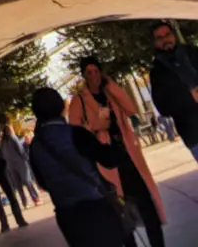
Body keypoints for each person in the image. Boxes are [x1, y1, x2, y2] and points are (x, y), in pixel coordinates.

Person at [69, 57, 165, 247]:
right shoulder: (79, 100)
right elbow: (76, 132)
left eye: (96, 71)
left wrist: (111, 85)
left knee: (147, 206)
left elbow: (131, 109)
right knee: (121, 212)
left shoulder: (110, 92)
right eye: (89, 72)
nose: (94, 76)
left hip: (127, 154)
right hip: (106, 160)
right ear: (84, 76)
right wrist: (97, 126)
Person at [29, 87, 128, 247]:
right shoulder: (76, 134)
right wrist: (115, 138)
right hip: (96, 209)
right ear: (61, 106)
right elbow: (110, 160)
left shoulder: (35, 145)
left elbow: (42, 182)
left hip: (67, 216)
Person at [150, 20, 198, 163]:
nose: (165, 40)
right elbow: (163, 107)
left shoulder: (193, 53)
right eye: (160, 38)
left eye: (167, 34)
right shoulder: (157, 72)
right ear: (155, 42)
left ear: (173, 35)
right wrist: (190, 97)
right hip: (193, 132)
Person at [0, 124, 40, 207]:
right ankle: (35, 199)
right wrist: (27, 158)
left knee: (18, 185)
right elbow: (20, 149)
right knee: (27, 181)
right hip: (20, 163)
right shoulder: (13, 138)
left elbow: (3, 155)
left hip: (10, 166)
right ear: (10, 130)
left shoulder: (2, 142)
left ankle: (24, 202)